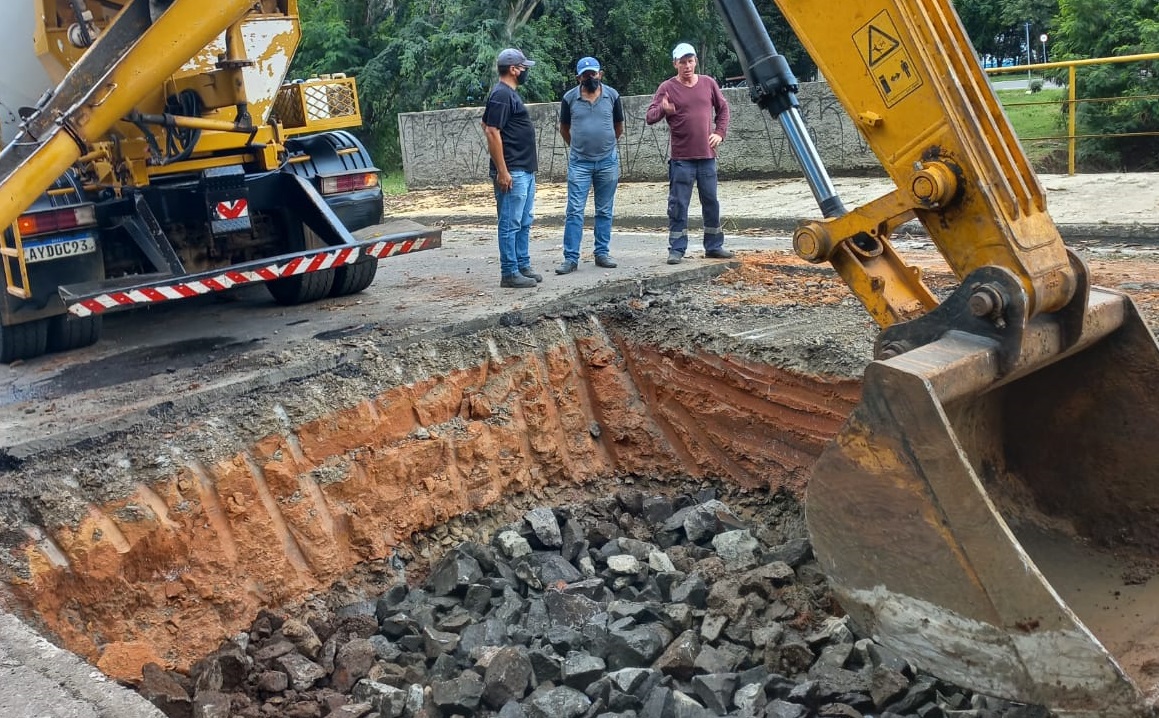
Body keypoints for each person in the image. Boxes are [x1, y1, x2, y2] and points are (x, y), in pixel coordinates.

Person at [645, 42, 734, 265]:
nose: (687, 66)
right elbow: (650, 117)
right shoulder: (667, 87)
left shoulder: (708, 83)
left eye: (690, 61)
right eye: (682, 62)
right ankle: (676, 249)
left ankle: (714, 246)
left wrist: (720, 133)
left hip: (707, 157)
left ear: (696, 61)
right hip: (682, 159)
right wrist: (663, 110)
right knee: (678, 205)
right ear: (675, 64)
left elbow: (723, 109)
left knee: (711, 202)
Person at [556, 56, 624, 275]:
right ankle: (570, 258)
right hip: (580, 163)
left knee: (604, 210)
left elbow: (618, 126)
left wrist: (607, 146)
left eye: (593, 74)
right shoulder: (569, 99)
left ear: (600, 74)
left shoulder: (612, 96)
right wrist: (578, 147)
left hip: (607, 162)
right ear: (578, 78)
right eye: (585, 75)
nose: (590, 78)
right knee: (574, 210)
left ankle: (602, 253)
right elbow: (564, 129)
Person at [482, 48, 542, 289]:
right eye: (523, 67)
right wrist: (503, 171)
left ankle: (522, 264)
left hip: (524, 169)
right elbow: (491, 130)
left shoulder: (508, 95)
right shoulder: (501, 94)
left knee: (524, 220)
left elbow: (486, 121)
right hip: (513, 169)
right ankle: (509, 271)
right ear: (514, 69)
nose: (526, 71)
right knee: (510, 222)